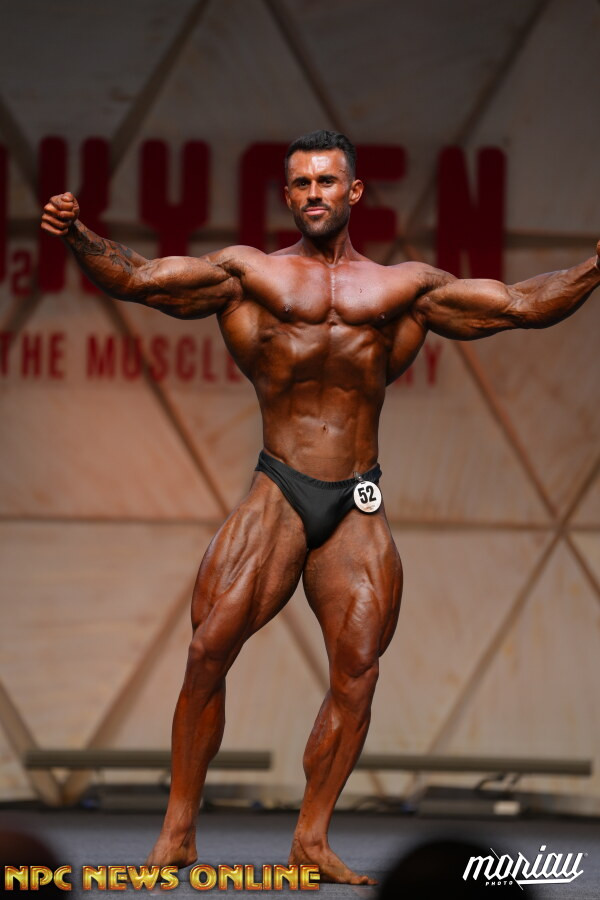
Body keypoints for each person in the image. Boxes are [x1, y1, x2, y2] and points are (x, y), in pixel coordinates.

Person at [41, 130, 600, 885]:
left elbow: (521, 305)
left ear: (354, 191)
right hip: (280, 485)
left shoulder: (405, 289)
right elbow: (140, 279)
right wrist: (78, 234)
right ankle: (177, 832)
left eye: (327, 181)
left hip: (357, 497)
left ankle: (311, 838)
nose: (313, 193)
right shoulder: (249, 275)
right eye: (301, 182)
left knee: (358, 671)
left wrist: (595, 266)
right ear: (287, 195)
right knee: (208, 651)